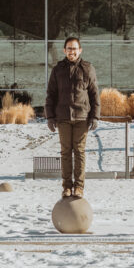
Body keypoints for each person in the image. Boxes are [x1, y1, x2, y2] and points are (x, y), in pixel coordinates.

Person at [45, 37, 100, 199]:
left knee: (80, 152)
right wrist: (50, 117)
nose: (72, 51)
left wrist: (95, 116)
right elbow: (51, 95)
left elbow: (94, 94)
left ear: (80, 50)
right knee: (66, 153)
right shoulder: (58, 70)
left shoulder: (87, 69)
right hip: (63, 118)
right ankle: (67, 187)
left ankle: (79, 187)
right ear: (64, 50)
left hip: (82, 118)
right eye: (69, 48)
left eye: (74, 48)